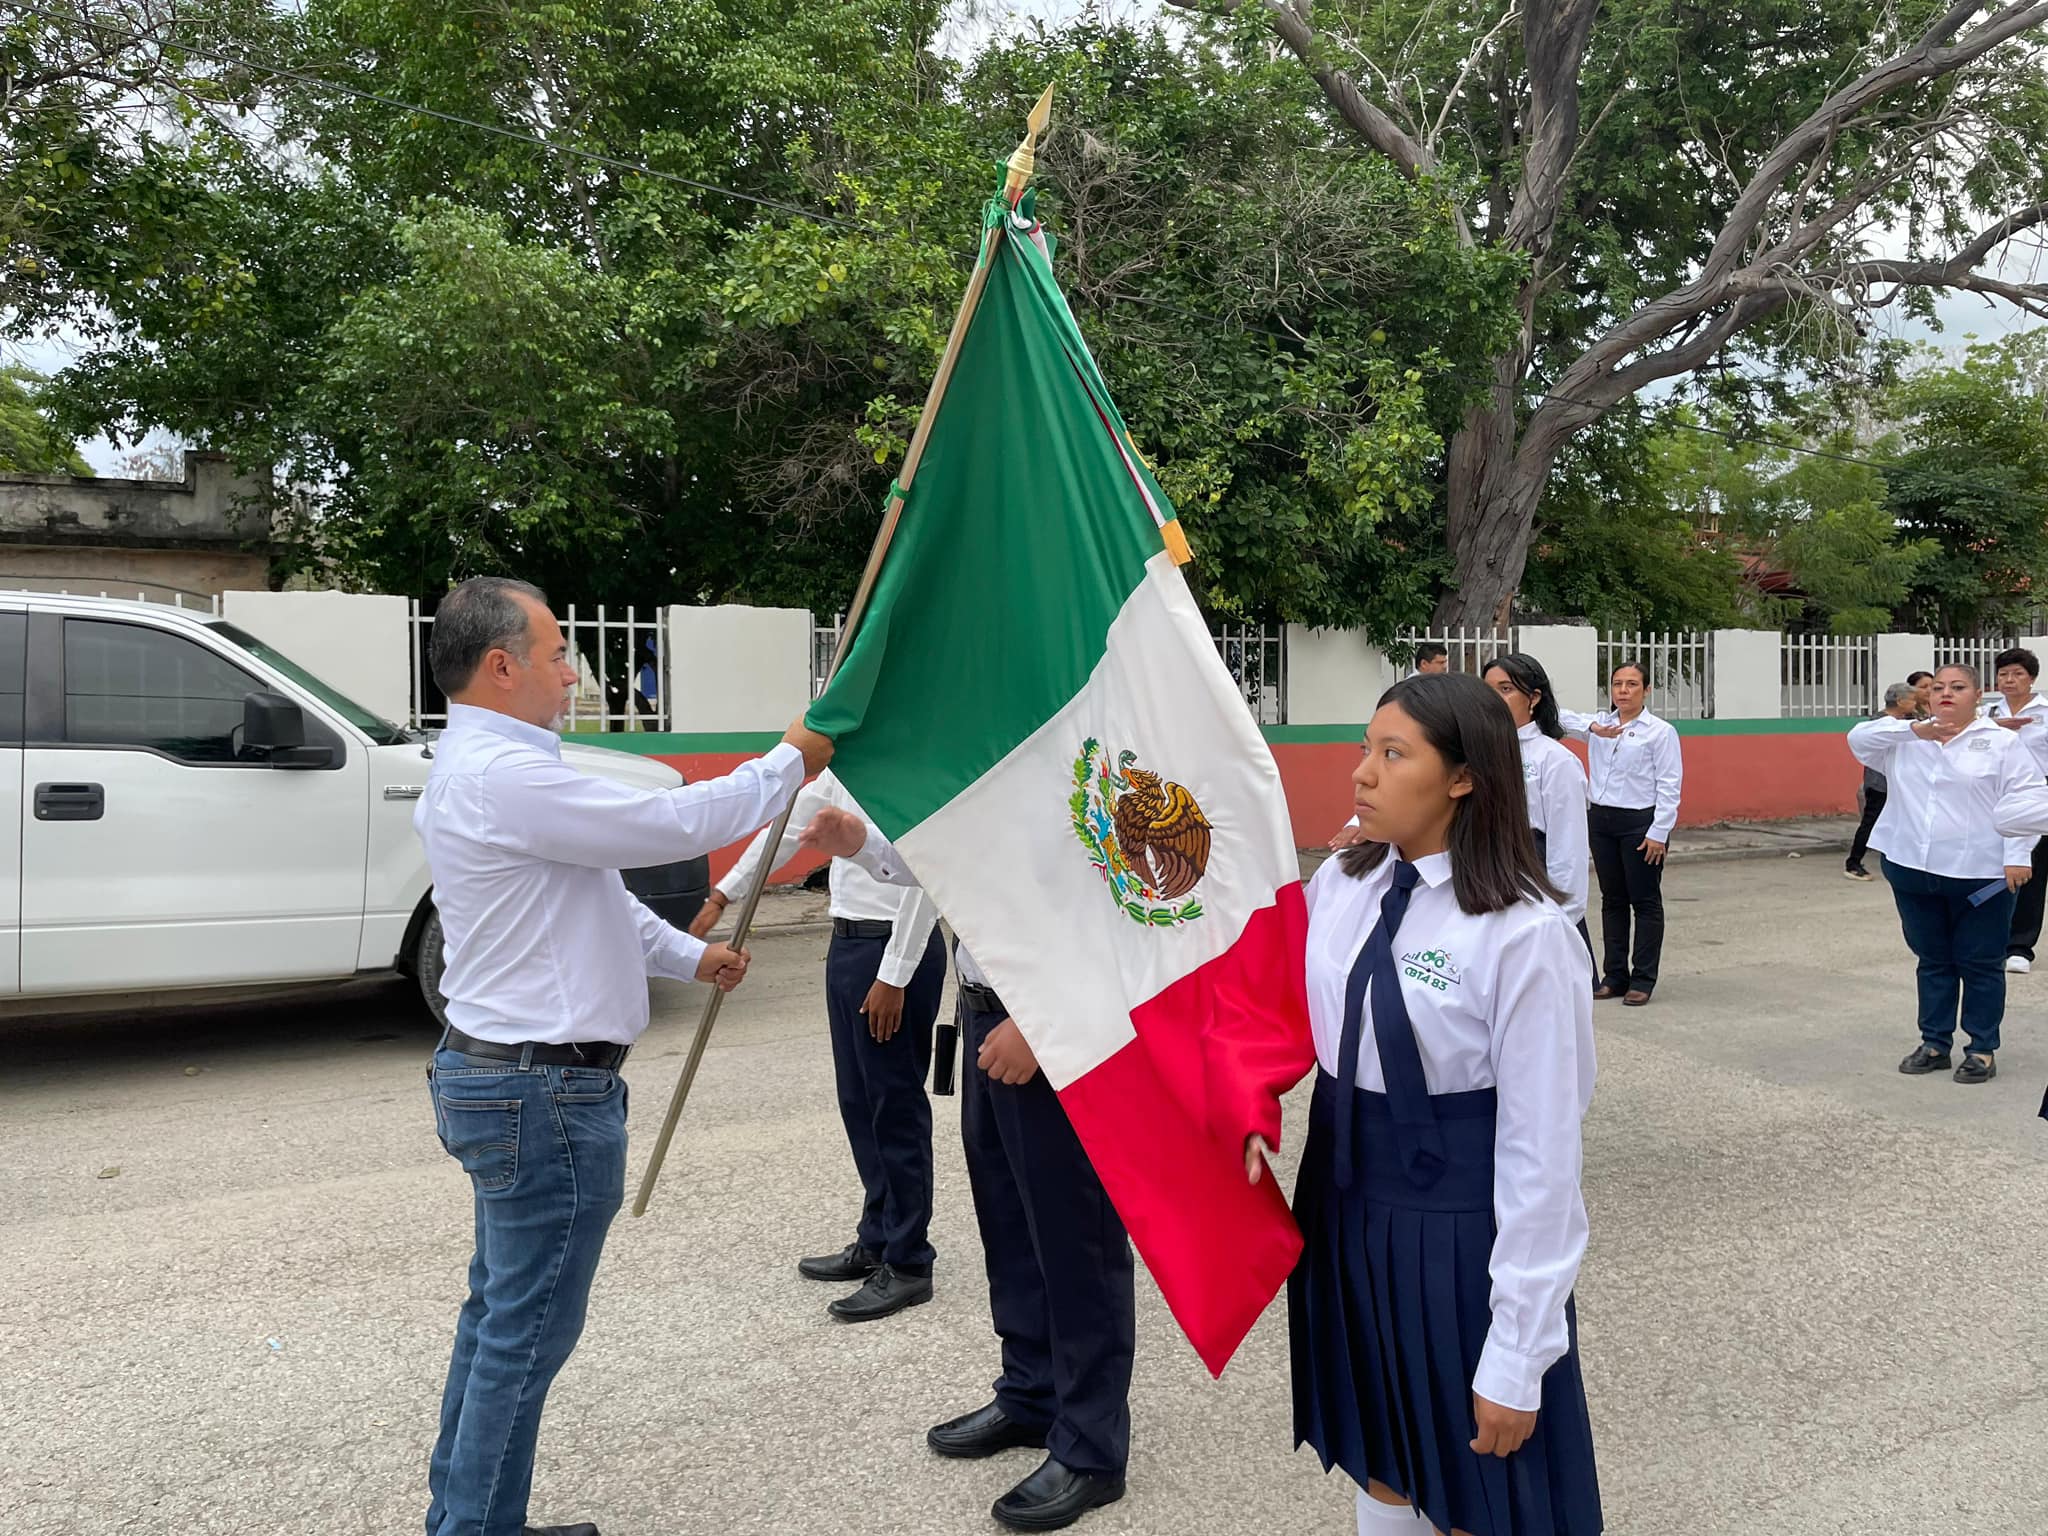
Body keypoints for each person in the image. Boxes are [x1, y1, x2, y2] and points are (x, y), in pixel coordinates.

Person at [415, 576, 833, 1536]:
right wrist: (792, 761)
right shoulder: (504, 775)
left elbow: (590, 905)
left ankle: (471, 1520)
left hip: (517, 1081)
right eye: (560, 653)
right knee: (521, 1337)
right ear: (501, 665)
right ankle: (475, 1529)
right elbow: (673, 826)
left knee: (498, 1324)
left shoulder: (500, 768)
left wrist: (693, 956)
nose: (573, 674)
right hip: (540, 1091)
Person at [1251, 671, 1600, 1536]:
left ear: (1463, 776)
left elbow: (1541, 1153)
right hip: (1343, 1203)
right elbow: (1277, 1012)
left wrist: (1519, 1352)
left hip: (1456, 1226)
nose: (1362, 773)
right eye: (1364, 750)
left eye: (1392, 753)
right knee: (1383, 1455)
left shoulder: (1524, 933)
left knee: (1483, 1481)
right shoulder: (1343, 881)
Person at [795, 812, 1135, 1533]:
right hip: (986, 1015)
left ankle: (1092, 1445)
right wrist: (859, 846)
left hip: (1051, 1029)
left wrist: (1047, 1021)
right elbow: (963, 860)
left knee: (1077, 1239)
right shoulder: (999, 760)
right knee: (1010, 1226)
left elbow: (1125, 905)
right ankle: (1032, 1392)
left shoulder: (1082, 755)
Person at [693, 770, 947, 1322]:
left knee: (894, 1106)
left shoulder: (917, 762)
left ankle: (909, 1261)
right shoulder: (844, 768)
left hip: (893, 952)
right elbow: (785, 832)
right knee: (858, 1102)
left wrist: (896, 974)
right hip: (849, 943)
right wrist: (723, 893)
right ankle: (878, 1236)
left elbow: (931, 873)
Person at [1848, 663, 2037, 1086]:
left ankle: (1982, 1048)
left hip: (1981, 873)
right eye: (1937, 688)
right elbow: (1857, 738)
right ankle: (1934, 1043)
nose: (1946, 693)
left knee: (1981, 962)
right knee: (1932, 959)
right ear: (1926, 697)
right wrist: (1914, 732)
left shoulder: (2001, 743)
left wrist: (2018, 854)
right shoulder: (1903, 739)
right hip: (1913, 868)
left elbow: (2024, 798)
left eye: (1958, 687)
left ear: (1977, 696)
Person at [1561, 661, 1683, 1006]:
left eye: (1632, 684)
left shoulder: (1659, 732)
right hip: (1601, 821)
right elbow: (1558, 717)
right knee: (1612, 899)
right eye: (1618, 684)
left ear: (1646, 691)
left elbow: (1670, 784)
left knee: (1644, 901)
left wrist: (1660, 831)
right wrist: (1594, 727)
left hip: (1640, 823)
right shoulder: (1601, 725)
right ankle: (1614, 975)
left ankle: (1643, 978)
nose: (1624, 691)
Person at [1482, 653, 1592, 962]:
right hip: (1486, 888)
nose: (1494, 699)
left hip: (1535, 891)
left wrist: (1561, 917)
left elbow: (1567, 848)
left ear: (1534, 698)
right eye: (1488, 690)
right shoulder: (1474, 752)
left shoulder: (1554, 760)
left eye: (1505, 689)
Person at [1981, 646, 2048, 973]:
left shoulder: (2045, 711)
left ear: (2031, 678)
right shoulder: (1987, 713)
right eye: (2004, 674)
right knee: (1995, 867)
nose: (2009, 680)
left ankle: (2020, 945)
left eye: (2017, 674)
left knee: (2031, 869)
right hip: (1995, 792)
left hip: (2037, 794)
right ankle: (1993, 938)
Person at [1846, 683, 1917, 881]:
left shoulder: (1905, 720)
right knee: (1870, 822)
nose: (1915, 704)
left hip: (1896, 782)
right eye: (1912, 700)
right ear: (1901, 701)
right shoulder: (1879, 722)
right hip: (1880, 782)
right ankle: (1853, 863)